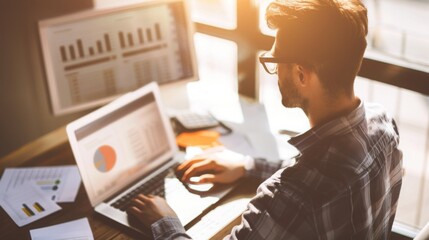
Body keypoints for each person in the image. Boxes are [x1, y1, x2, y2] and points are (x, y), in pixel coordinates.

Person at [127, 0, 403, 239]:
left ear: (301, 75)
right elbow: (326, 170)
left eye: (274, 60)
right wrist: (250, 166)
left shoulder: (291, 197)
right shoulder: (383, 127)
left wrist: (164, 222)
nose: (274, 70)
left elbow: (309, 187)